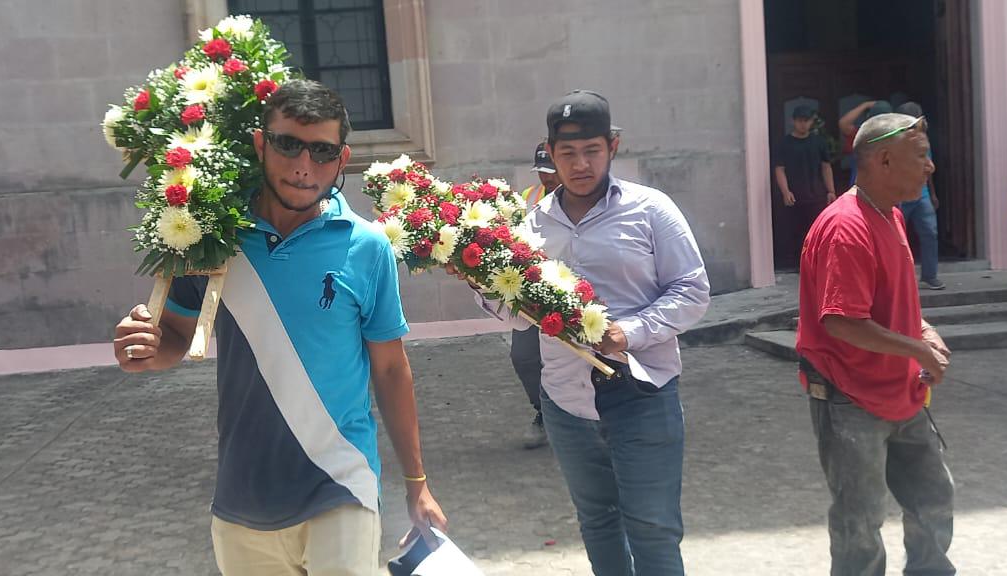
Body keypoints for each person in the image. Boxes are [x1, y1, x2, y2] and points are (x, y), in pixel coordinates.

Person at [112, 79, 446, 575]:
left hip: (342, 485)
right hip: (244, 494)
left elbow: (391, 370)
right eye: (288, 144)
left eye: (322, 151)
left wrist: (417, 483)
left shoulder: (367, 247)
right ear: (260, 144)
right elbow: (177, 336)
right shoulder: (213, 238)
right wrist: (144, 349)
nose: (303, 166)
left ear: (342, 158)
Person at [462, 90, 709, 575]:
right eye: (568, 152)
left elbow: (692, 290)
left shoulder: (651, 210)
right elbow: (518, 316)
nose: (580, 164)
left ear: (612, 146)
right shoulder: (529, 226)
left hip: (643, 394)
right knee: (597, 522)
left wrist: (628, 333)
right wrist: (481, 283)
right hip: (566, 401)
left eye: (592, 150)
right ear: (549, 152)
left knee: (653, 528)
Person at [796, 113, 956, 576]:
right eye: (921, 155)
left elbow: (890, 302)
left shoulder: (891, 214)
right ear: (885, 160)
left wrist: (922, 331)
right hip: (850, 396)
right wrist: (917, 350)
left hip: (900, 391)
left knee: (932, 497)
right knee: (860, 521)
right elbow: (843, 322)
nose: (930, 166)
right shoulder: (846, 227)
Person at [511, 142, 563, 449]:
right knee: (524, 356)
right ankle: (544, 413)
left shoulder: (582, 199)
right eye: (542, 171)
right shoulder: (528, 198)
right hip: (533, 296)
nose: (547, 177)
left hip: (571, 294)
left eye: (551, 171)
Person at [775, 105, 836, 267]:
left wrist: (831, 191)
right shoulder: (785, 143)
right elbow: (779, 168)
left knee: (818, 230)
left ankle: (817, 262)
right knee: (795, 231)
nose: (803, 124)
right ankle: (798, 263)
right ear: (793, 121)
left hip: (816, 195)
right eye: (800, 121)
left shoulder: (818, 142)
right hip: (795, 196)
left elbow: (826, 166)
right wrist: (785, 191)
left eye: (807, 121)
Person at [895, 102, 945, 290]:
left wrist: (932, 193)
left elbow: (927, 167)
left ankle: (930, 275)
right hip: (900, 194)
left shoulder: (923, 139)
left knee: (930, 233)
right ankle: (898, 279)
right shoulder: (895, 141)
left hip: (921, 194)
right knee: (897, 238)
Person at [839, 100, 894, 186]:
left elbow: (843, 123)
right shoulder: (895, 137)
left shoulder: (862, 135)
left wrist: (864, 105)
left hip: (865, 188)